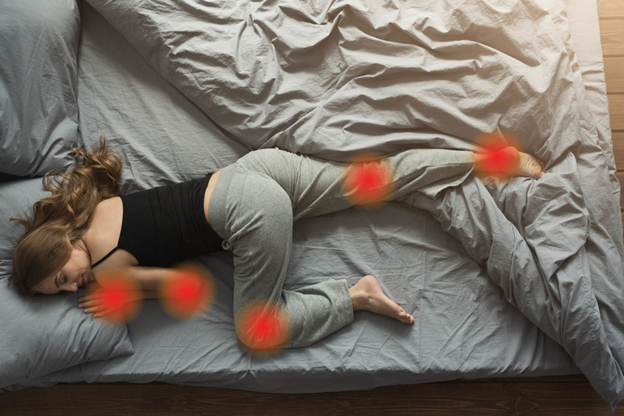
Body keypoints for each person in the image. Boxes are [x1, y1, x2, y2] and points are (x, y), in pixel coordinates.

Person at [9, 136, 545, 350]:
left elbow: (181, 285)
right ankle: (490, 159)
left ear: (60, 246)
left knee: (256, 333)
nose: (73, 288)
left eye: (63, 278)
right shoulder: (96, 205)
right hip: (253, 171)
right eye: (63, 292)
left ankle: (355, 295)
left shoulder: (107, 271)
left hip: (252, 214)